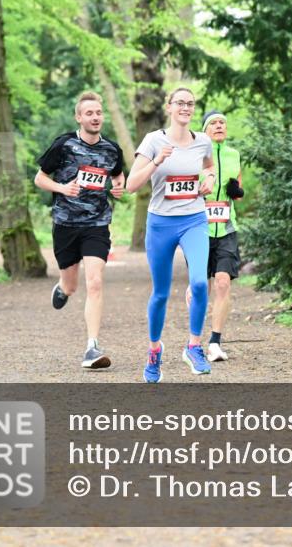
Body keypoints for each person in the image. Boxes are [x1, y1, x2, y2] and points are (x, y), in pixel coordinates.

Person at [126, 87, 216, 383]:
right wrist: (156, 162)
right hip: (161, 223)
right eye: (180, 103)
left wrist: (209, 179)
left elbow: (209, 167)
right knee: (161, 293)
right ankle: (154, 351)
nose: (185, 108)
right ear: (169, 107)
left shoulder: (202, 141)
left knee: (200, 282)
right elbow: (131, 185)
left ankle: (194, 346)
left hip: (194, 220)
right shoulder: (154, 141)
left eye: (190, 104)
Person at [34, 91, 125, 370]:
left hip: (97, 224)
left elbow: (118, 175)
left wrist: (118, 187)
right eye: (89, 113)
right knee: (72, 285)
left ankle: (92, 346)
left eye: (98, 113)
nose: (95, 117)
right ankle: (63, 288)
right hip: (66, 224)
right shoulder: (64, 145)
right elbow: (40, 178)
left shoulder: (112, 149)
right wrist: (62, 188)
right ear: (78, 117)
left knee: (95, 282)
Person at [187, 110, 244, 362]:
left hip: (227, 228)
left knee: (222, 282)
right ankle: (194, 339)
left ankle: (215, 342)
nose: (219, 126)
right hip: (199, 228)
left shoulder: (234, 155)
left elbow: (238, 192)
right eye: (214, 123)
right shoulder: (195, 155)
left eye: (222, 122)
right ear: (205, 130)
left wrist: (237, 191)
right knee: (202, 286)